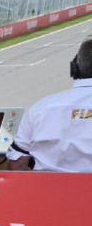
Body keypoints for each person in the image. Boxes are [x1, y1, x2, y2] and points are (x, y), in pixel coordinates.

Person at [6, 38, 92, 173]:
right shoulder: (41, 107)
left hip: (48, 184)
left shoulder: (41, 107)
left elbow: (18, 162)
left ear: (77, 68)